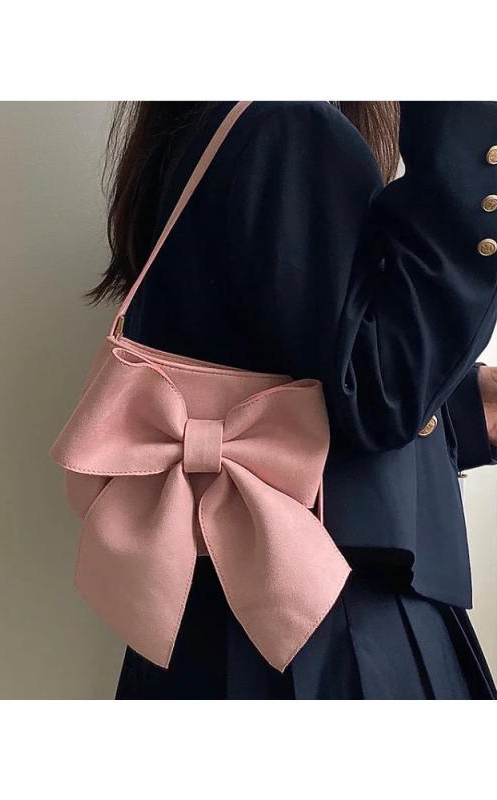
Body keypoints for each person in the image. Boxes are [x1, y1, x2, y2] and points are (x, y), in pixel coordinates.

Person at [87, 101, 497, 699]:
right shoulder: (285, 125)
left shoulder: (239, 122)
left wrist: (465, 408)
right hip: (331, 629)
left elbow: (313, 372)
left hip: (239, 618)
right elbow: (375, 393)